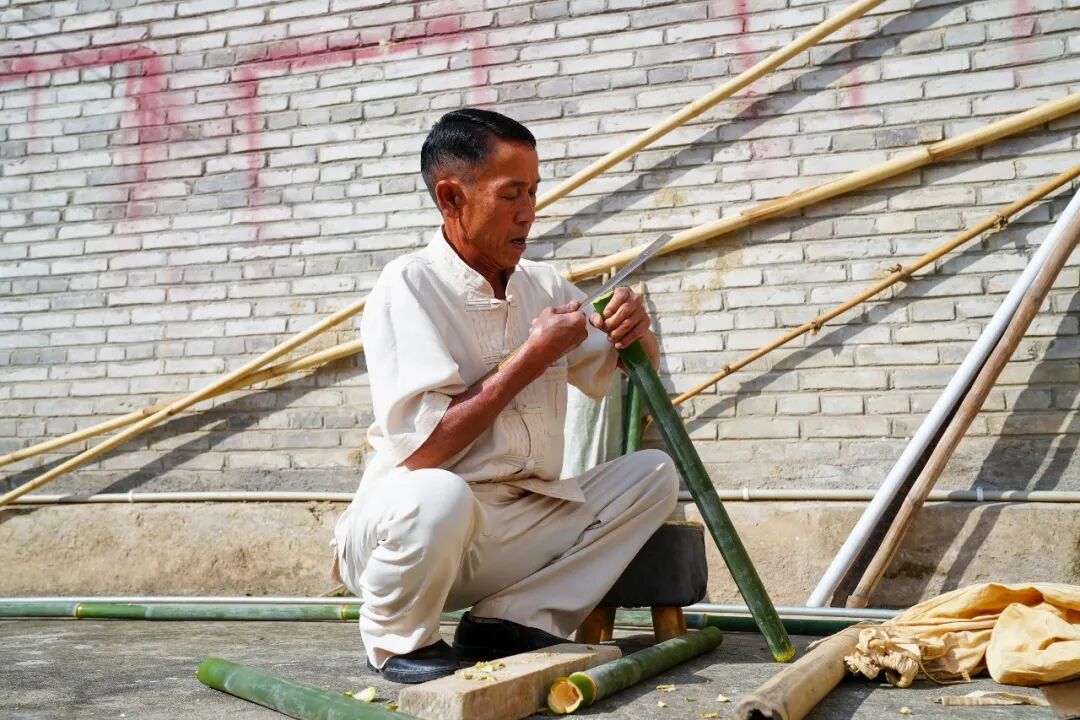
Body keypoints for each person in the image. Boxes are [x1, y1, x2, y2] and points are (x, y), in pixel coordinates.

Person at [332, 108, 678, 684]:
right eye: (511, 194)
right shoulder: (408, 285)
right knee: (438, 495)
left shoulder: (544, 285)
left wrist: (634, 333)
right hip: (416, 533)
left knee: (653, 475)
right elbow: (423, 451)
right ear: (451, 198)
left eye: (534, 192)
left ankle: (512, 619)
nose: (529, 213)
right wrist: (530, 358)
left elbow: (623, 368)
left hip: (516, 521)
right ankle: (398, 639)